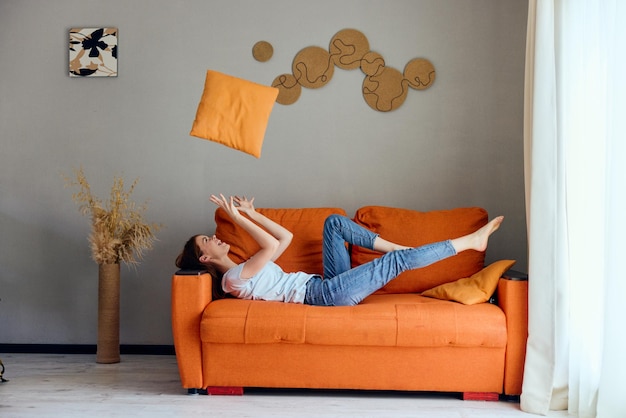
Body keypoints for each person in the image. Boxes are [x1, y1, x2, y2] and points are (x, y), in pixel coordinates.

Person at [175, 194, 504, 306]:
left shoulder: (246, 267)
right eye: (207, 241)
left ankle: (401, 247)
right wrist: (236, 216)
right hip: (325, 297)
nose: (214, 238)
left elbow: (285, 238)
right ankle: (469, 242)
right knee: (398, 262)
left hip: (325, 284)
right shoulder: (232, 279)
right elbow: (273, 245)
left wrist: (251, 213)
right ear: (205, 258)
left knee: (334, 222)